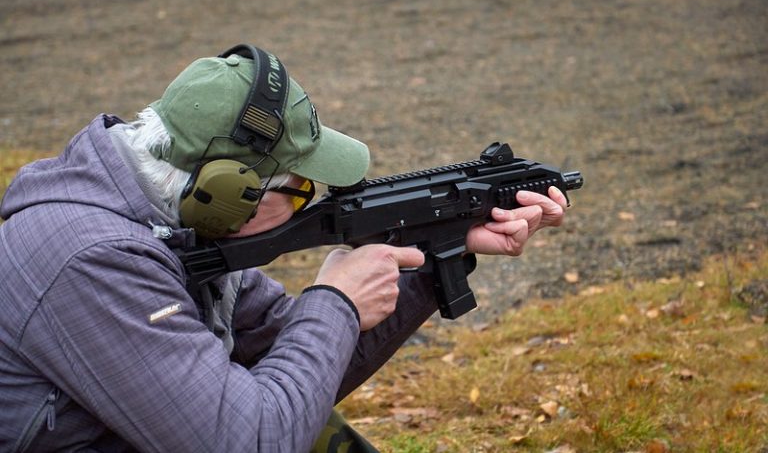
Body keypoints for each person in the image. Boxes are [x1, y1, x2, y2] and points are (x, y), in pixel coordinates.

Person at [0, 44, 568, 452]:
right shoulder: (91, 261)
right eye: (300, 190)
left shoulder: (177, 225)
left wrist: (435, 254)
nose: (310, 204)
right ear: (228, 192)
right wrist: (336, 301)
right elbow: (254, 439)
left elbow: (298, 369)